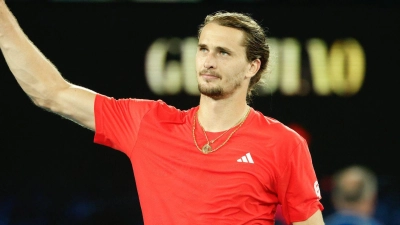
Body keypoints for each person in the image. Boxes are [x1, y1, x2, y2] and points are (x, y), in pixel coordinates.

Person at [0, 1, 324, 224]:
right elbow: (51, 92)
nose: (208, 61)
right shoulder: (149, 123)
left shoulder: (283, 143)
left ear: (253, 66)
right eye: (203, 49)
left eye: (223, 52)